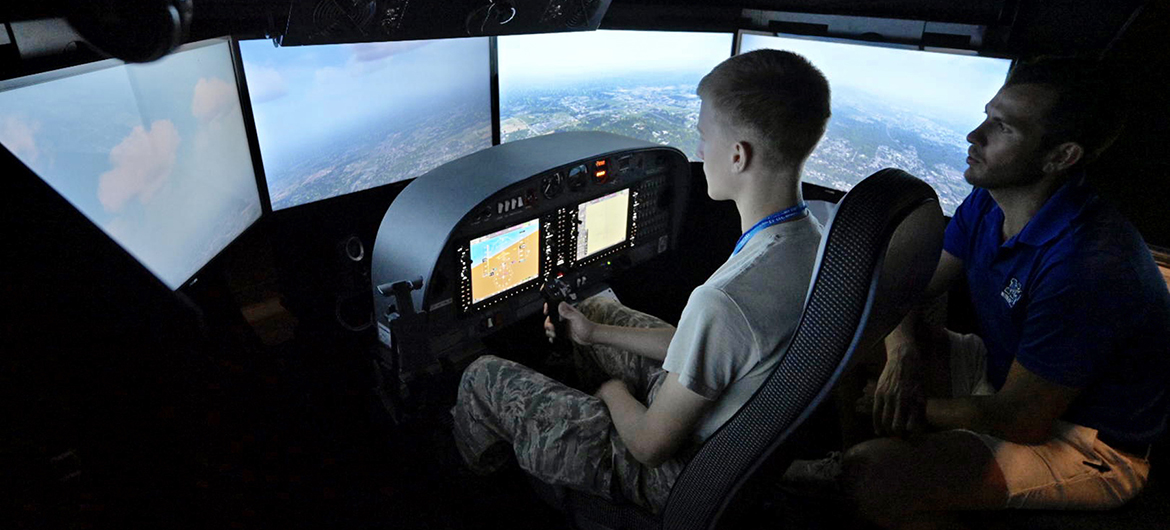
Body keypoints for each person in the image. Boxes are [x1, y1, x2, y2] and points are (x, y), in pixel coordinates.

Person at [450, 49, 831, 512]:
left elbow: (650, 447)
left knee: (480, 375)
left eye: (704, 137)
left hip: (680, 474)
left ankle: (480, 493)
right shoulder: (811, 244)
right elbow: (700, 344)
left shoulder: (726, 300)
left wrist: (611, 393)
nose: (699, 152)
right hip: (730, 430)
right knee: (590, 310)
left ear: (737, 155)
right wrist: (592, 333)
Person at [805, 57, 1170, 528]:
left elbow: (1023, 419)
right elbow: (907, 289)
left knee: (872, 477)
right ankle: (869, 467)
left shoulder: (1089, 268)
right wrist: (901, 357)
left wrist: (901, 402)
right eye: (986, 116)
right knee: (845, 334)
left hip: (1085, 436)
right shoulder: (990, 201)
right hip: (1004, 374)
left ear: (1061, 156)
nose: (973, 136)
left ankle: (876, 477)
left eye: (1003, 128)